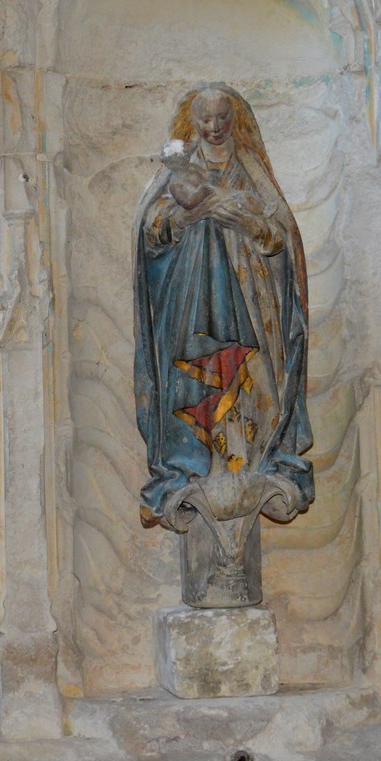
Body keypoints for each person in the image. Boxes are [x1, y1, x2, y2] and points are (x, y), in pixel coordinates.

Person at [134, 85, 313, 528]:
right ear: (191, 125)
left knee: (252, 383)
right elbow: (151, 231)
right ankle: (191, 465)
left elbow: (280, 238)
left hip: (251, 302)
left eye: (222, 119)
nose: (214, 128)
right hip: (188, 304)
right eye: (205, 120)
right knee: (194, 386)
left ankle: (250, 459)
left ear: (237, 121)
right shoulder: (179, 173)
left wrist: (246, 222)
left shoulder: (250, 170)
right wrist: (184, 219)